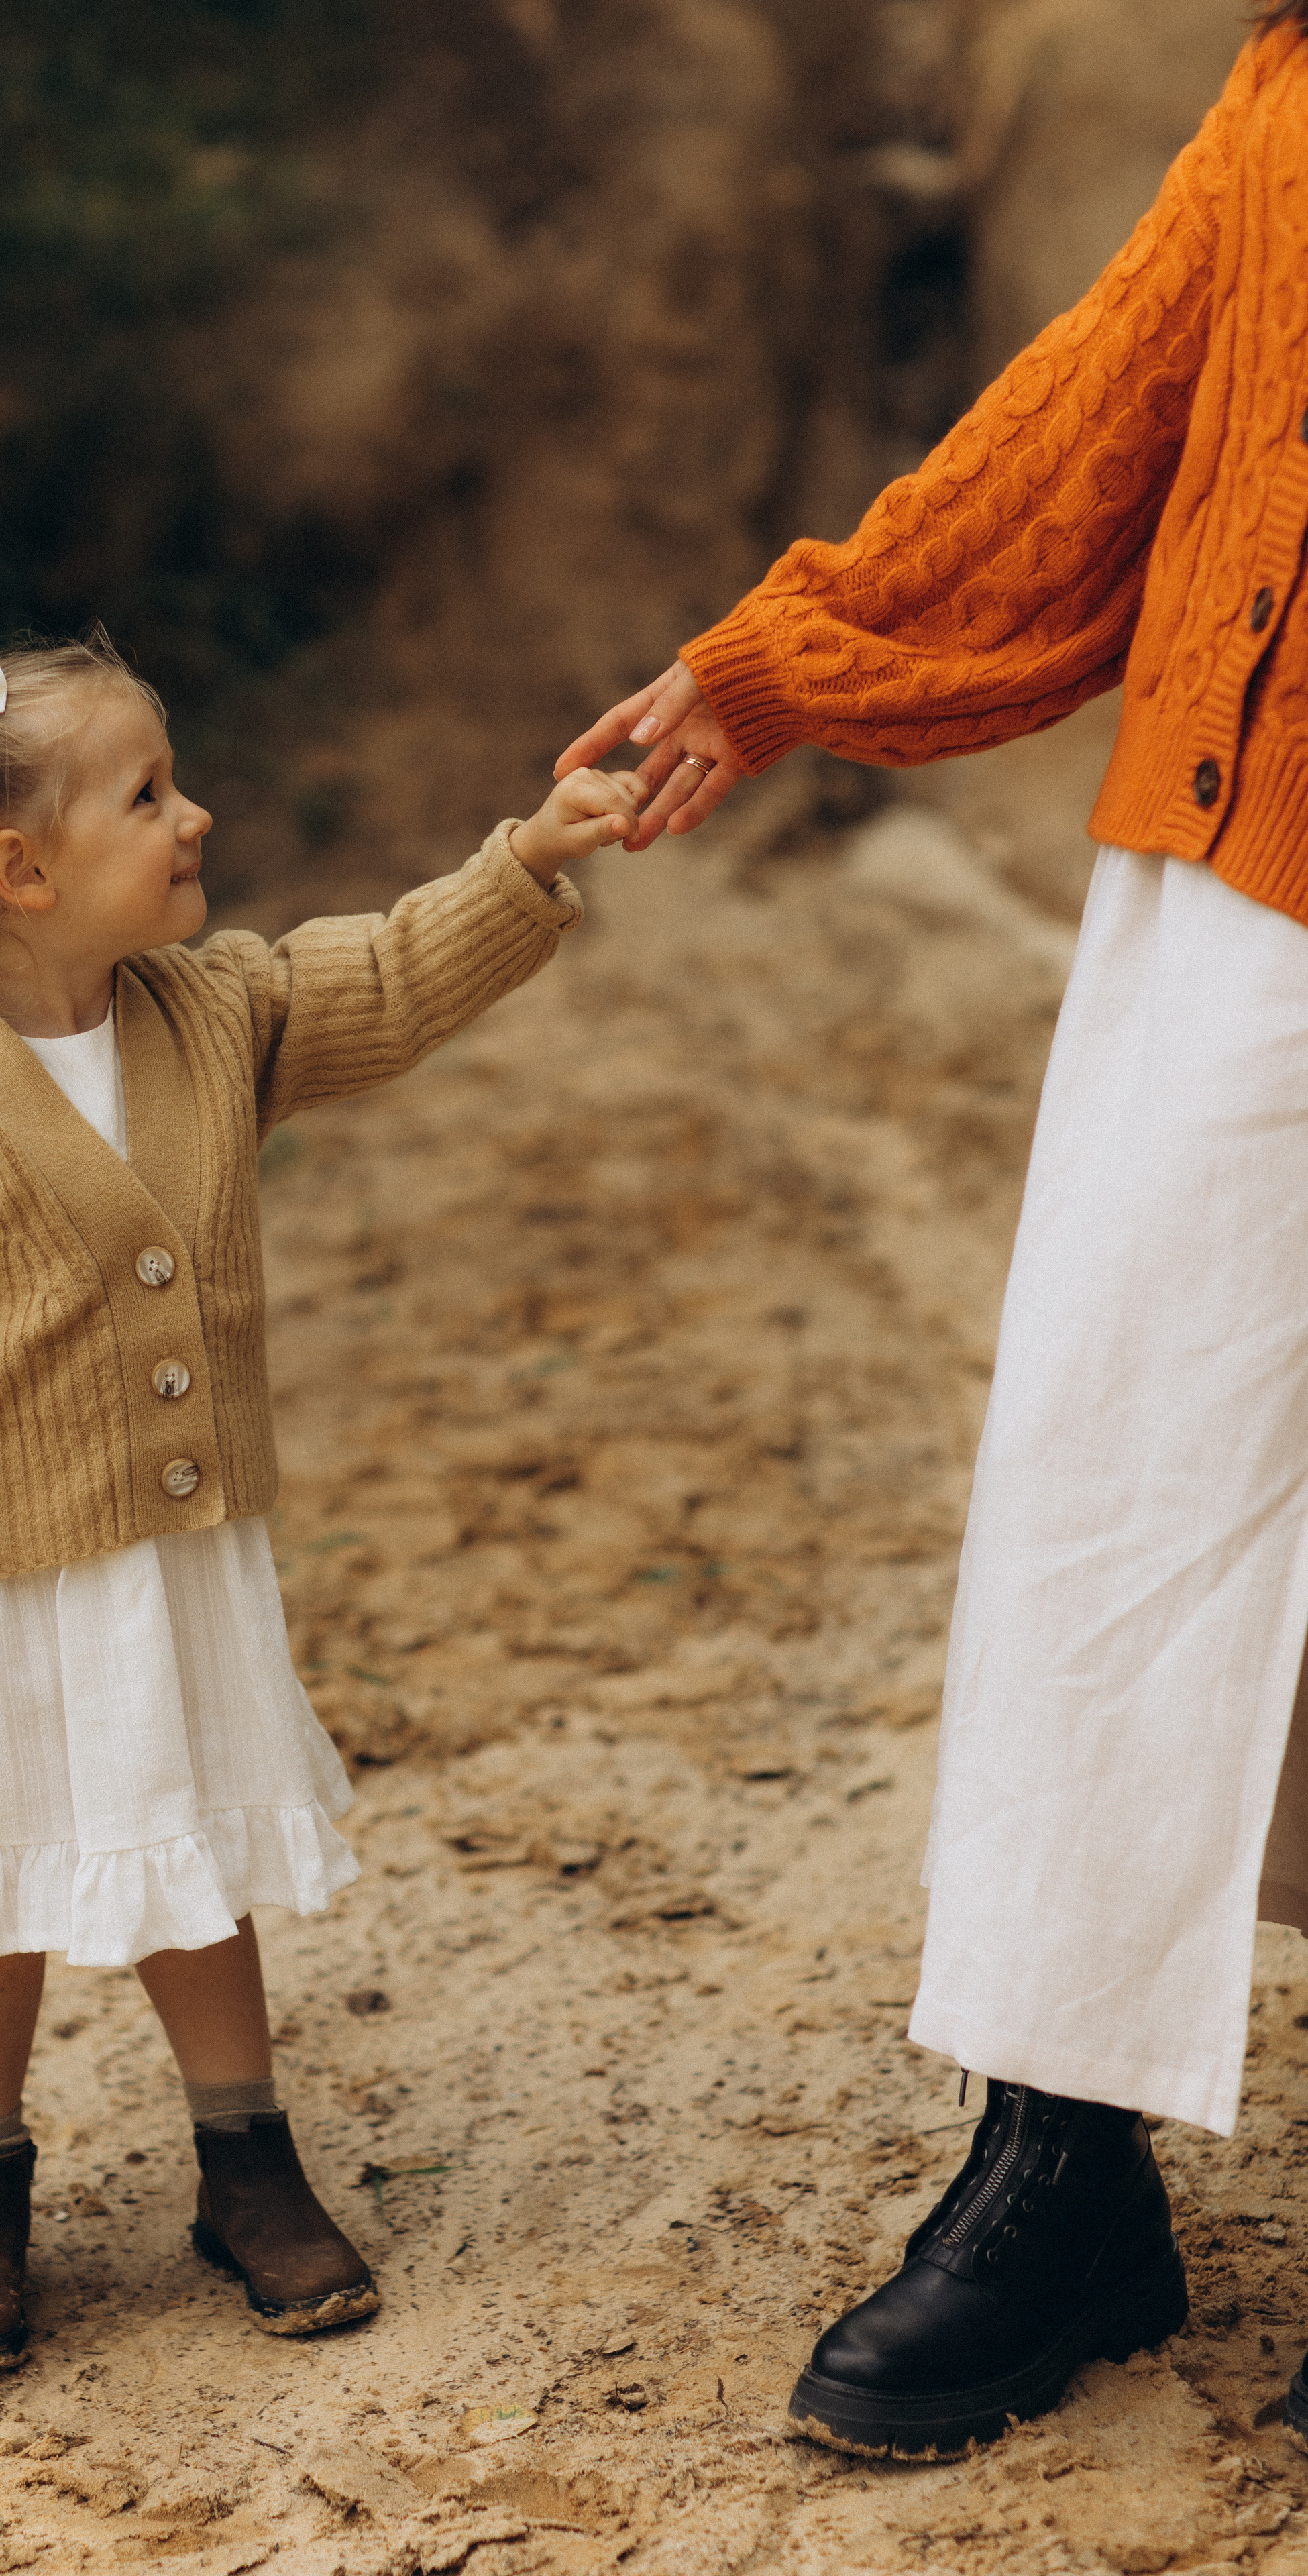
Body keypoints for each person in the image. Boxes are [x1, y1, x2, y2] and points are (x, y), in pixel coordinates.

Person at [560, 5, 1308, 2461]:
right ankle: (1059, 2166)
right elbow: (1093, 420)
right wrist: (780, 661)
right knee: (1116, 1473)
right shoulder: (1290, 91)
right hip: (1247, 880)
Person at [0, 625, 640, 2373]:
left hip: (172, 1556)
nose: (199, 816)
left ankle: (243, 2153)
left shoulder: (209, 1011)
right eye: (151, 796)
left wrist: (524, 863)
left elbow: (384, 976)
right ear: (22, 870)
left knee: (195, 1853)